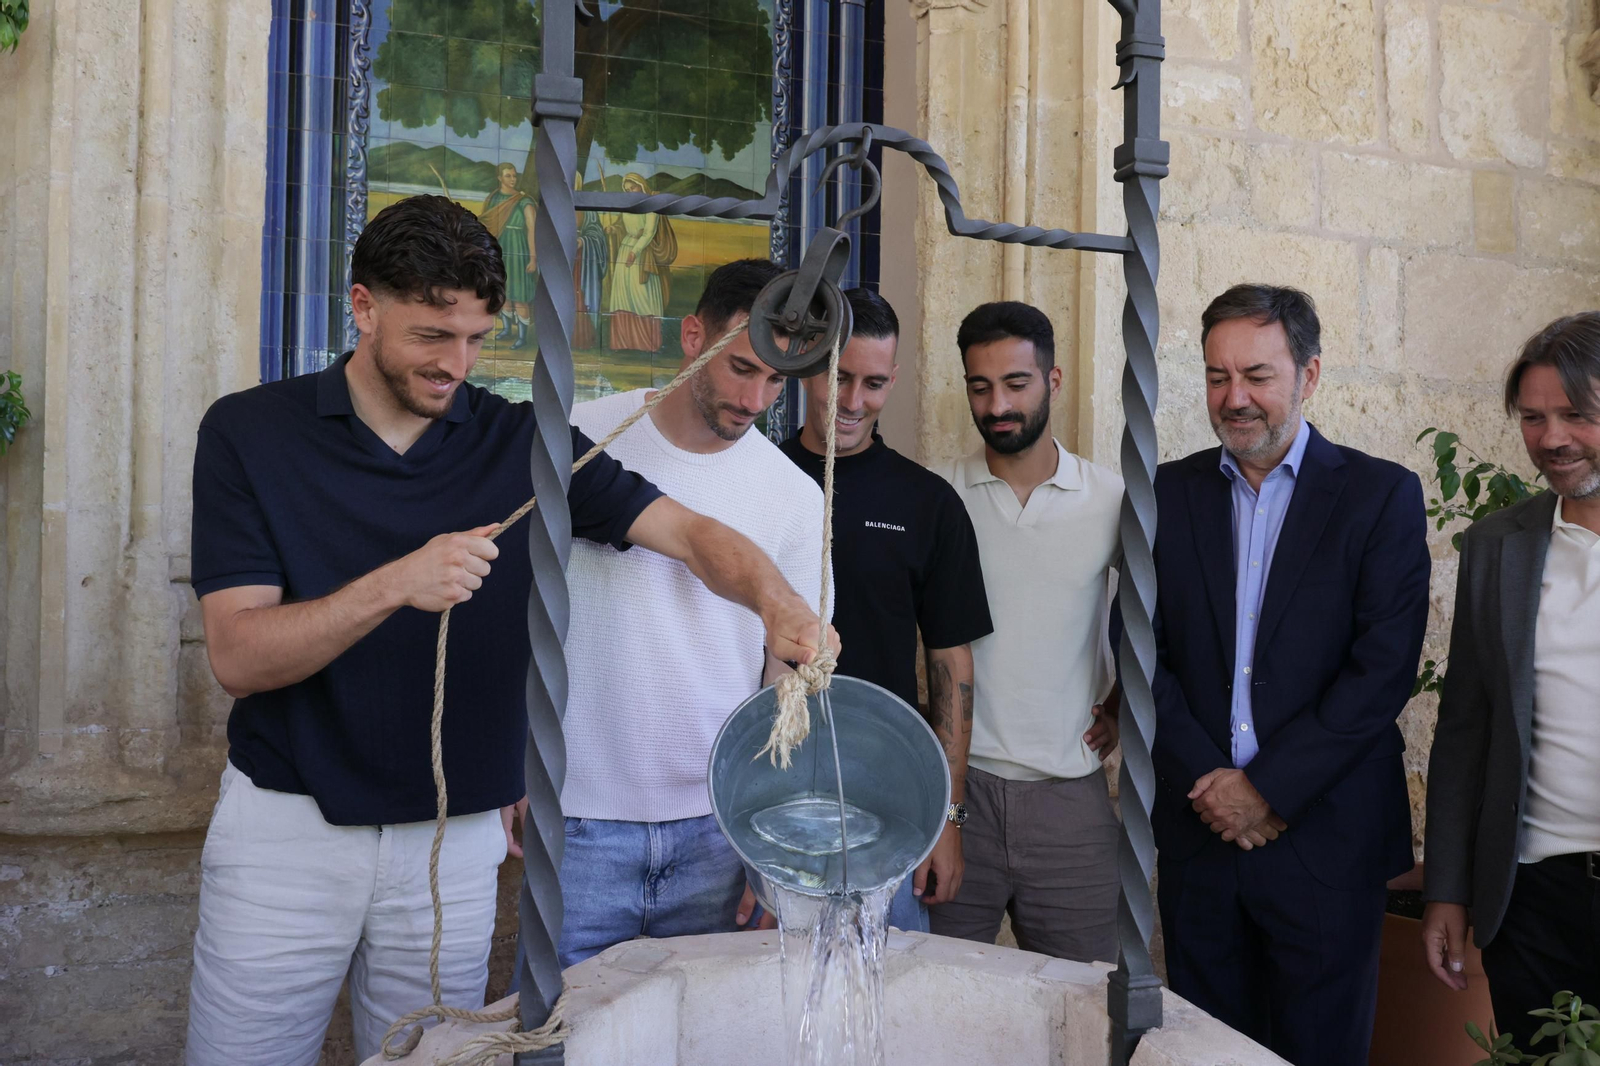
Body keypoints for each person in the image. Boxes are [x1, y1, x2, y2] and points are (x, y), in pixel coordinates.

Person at [183, 198, 832, 1066]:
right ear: (363, 306)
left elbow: (685, 533)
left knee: (431, 1062)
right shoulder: (250, 431)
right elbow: (238, 656)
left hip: (451, 842)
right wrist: (394, 585)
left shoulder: (520, 440)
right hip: (287, 832)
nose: (456, 365)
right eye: (430, 336)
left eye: (477, 338)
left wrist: (776, 601)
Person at [1136, 283, 1429, 1066]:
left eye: (1258, 376)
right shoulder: (1167, 494)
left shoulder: (1381, 496)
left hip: (1326, 839)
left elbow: (1382, 670)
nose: (1234, 398)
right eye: (1216, 376)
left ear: (1310, 375)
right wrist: (1210, 779)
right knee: (1205, 1052)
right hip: (1202, 839)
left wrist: (1265, 790)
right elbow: (1136, 651)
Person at [556, 258, 833, 967]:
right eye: (743, 367)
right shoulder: (580, 437)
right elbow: (515, 618)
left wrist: (769, 848)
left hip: (717, 832)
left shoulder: (796, 495)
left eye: (778, 379)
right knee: (558, 1041)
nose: (758, 397)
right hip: (577, 820)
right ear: (691, 337)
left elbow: (784, 683)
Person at [779, 287, 993, 933]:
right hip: (774, 787)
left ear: (894, 381)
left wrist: (948, 821)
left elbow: (952, 666)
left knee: (890, 1000)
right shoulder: (757, 479)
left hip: (890, 802)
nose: (852, 401)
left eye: (873, 383)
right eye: (838, 377)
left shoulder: (927, 503)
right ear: (806, 361)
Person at [1422, 313, 1600, 1048]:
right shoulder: (1499, 545)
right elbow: (1466, 728)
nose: (1551, 437)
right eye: (1532, 417)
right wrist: (1448, 891)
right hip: (1534, 897)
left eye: (1576, 414)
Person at [928, 302, 1125, 962]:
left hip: (1070, 799)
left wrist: (1124, 708)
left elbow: (1167, 621)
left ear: (1054, 380)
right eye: (980, 387)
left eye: (1016, 383)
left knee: (1087, 1004)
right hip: (955, 792)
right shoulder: (935, 495)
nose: (997, 404)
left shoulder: (1111, 500)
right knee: (935, 1001)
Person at [604, 174, 676, 353]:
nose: (630, 192)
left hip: (641, 254)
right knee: (623, 296)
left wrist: (634, 252)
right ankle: (623, 342)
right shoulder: (628, 207)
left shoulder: (651, 206)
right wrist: (614, 228)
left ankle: (647, 344)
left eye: (633, 188)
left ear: (642, 186)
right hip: (625, 250)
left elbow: (649, 232)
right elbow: (623, 225)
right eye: (627, 190)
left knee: (641, 297)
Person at [478, 162, 536, 348]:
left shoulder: (523, 201)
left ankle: (522, 336)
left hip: (519, 250)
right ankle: (506, 329)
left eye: (514, 176)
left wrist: (533, 257)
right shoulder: (494, 198)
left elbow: (532, 228)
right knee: (503, 293)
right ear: (499, 178)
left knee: (520, 296)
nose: (512, 179)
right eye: (508, 176)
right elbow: (486, 224)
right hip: (500, 248)